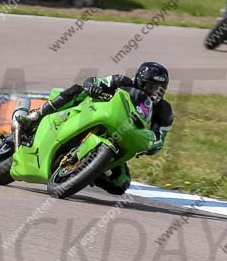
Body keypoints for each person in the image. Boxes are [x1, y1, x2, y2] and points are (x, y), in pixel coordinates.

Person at [16, 61, 174, 195]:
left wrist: (152, 145)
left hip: (121, 139)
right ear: (139, 81)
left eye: (158, 88)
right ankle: (34, 117)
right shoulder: (122, 81)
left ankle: (89, 169)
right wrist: (94, 87)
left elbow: (160, 139)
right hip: (91, 113)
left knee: (121, 183)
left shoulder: (164, 111)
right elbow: (94, 81)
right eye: (150, 86)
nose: (153, 91)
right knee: (78, 90)